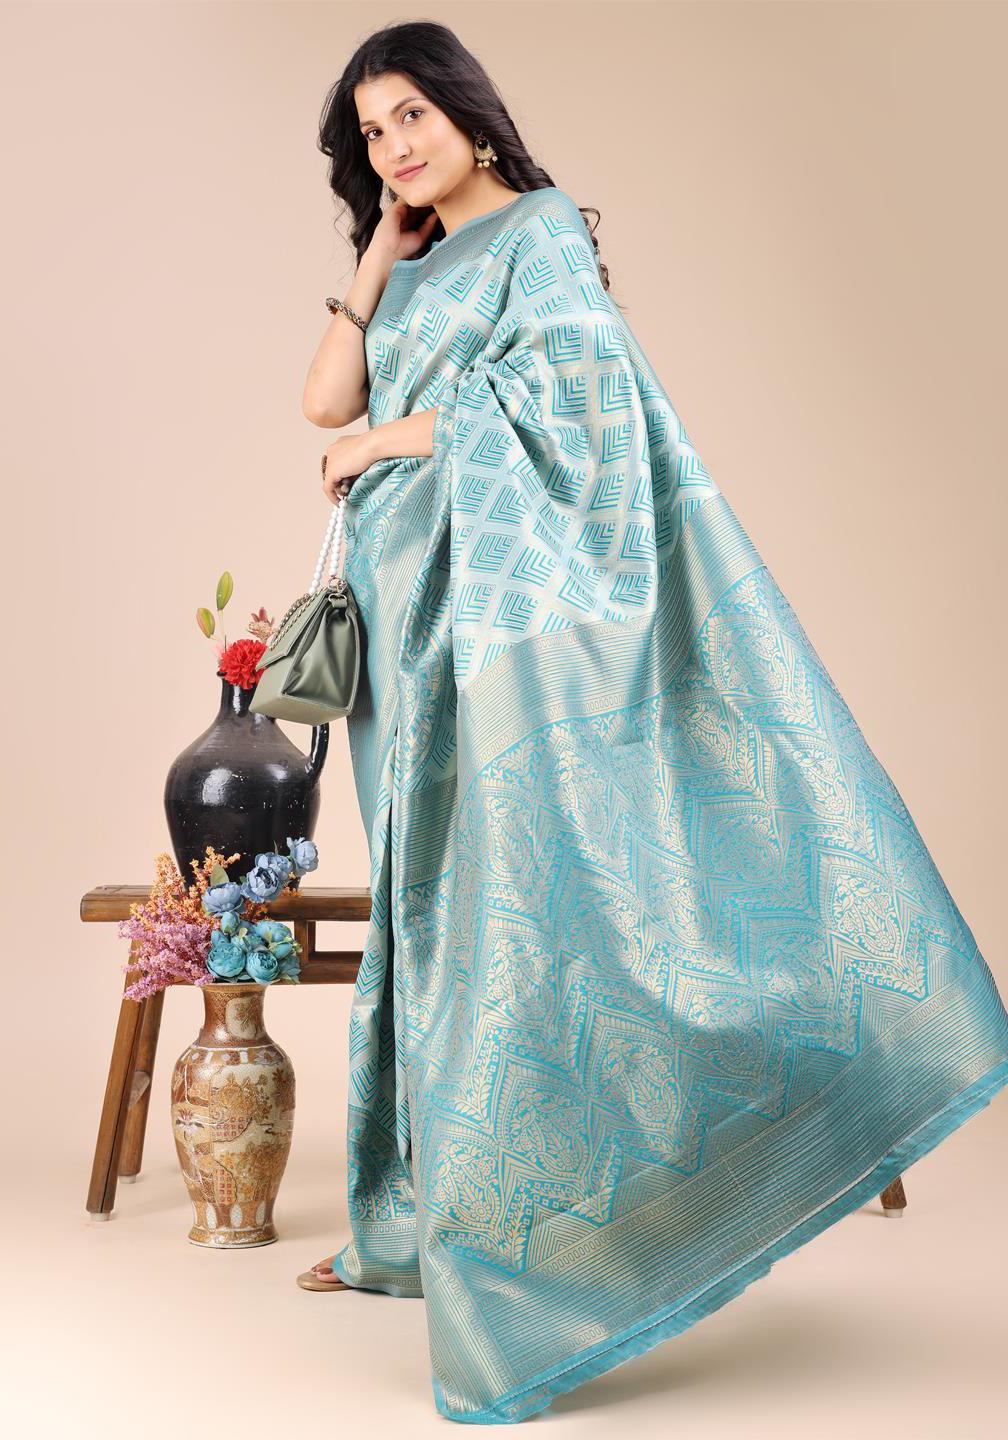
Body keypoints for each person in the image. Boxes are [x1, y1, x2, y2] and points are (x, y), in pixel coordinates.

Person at [295, 19, 1008, 1426]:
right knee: (429, 910)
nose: (396, 145)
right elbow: (320, 396)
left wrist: (382, 441)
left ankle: (569, 1249)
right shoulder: (419, 261)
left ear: (468, 110)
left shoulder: (543, 236)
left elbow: (573, 406)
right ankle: (435, 1220)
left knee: (517, 914)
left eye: (412, 114)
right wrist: (378, 252)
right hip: (410, 637)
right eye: (373, 132)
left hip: (506, 632)